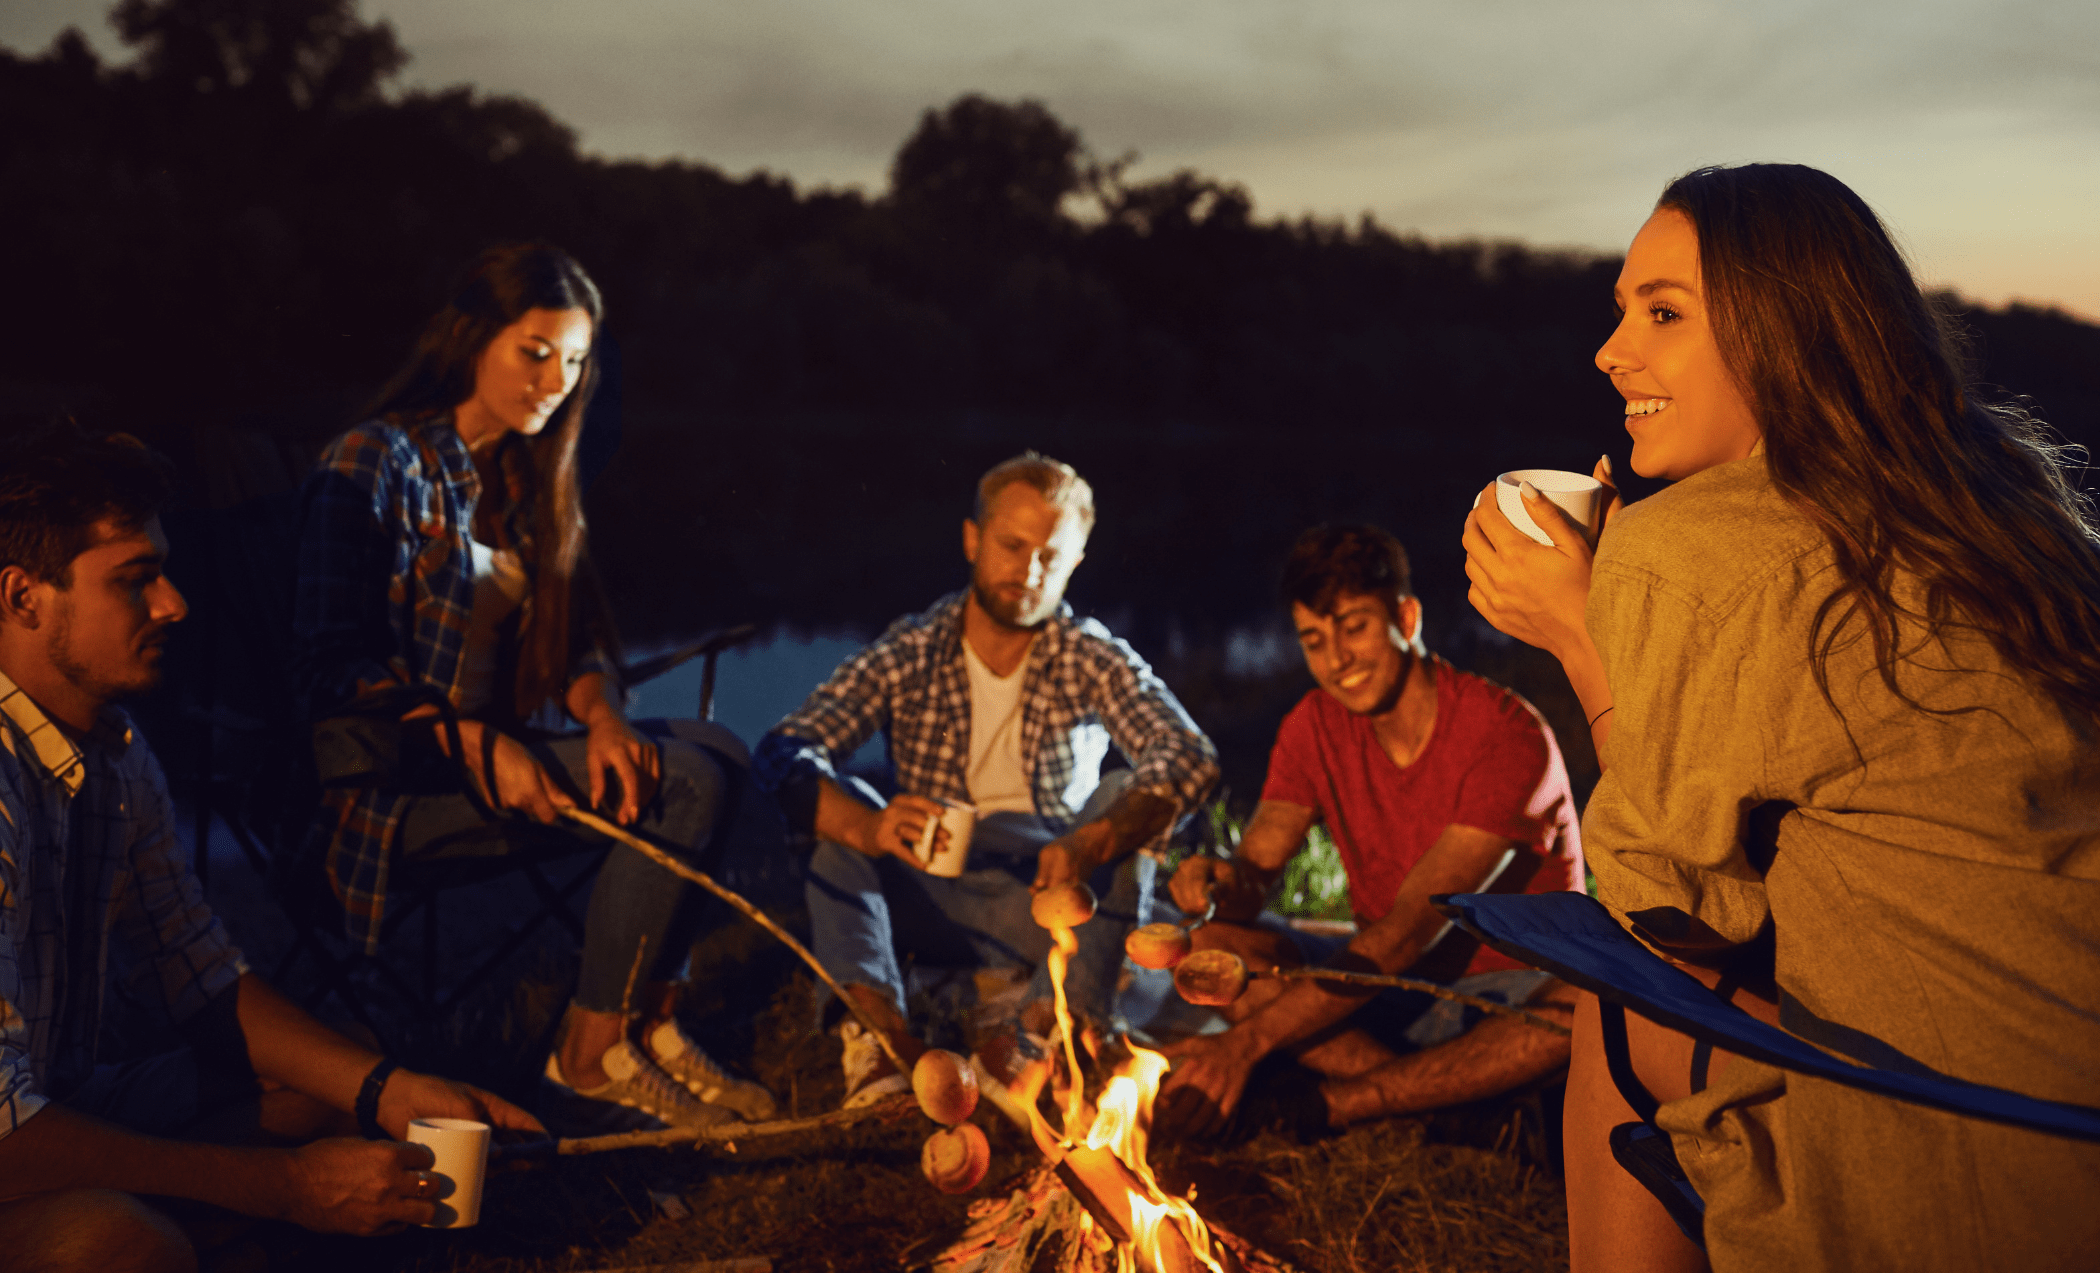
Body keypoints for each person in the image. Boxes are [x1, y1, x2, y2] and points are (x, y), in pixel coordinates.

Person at [1461, 164, 2100, 1272]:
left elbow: (1667, 914)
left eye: (1664, 313)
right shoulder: (2005, 510)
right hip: (2071, 1119)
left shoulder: (1694, 548)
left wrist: (1585, 633)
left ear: (1788, 335)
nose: (1613, 351)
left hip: (1955, 1156)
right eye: (1622, 313)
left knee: (1617, 1008)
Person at [0, 419, 548, 1266]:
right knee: (116, 1244)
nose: (172, 602)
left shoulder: (114, 750)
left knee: (344, 1110)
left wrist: (392, 1088)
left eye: (164, 571)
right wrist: (286, 1187)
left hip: (66, 1102)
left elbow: (201, 974)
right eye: (134, 579)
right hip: (12, 1144)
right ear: (24, 596)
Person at [294, 242, 773, 1133]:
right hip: (388, 790)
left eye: (578, 359)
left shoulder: (521, 473)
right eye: (536, 350)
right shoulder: (378, 460)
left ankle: (647, 1027)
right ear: (472, 337)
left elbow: (575, 645)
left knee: (719, 750)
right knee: (690, 785)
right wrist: (477, 743)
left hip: (490, 762)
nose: (557, 378)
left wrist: (602, 719)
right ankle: (586, 1061)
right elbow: (335, 663)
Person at [751, 452, 1219, 1104]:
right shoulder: (912, 649)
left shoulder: (1089, 653)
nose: (1028, 572)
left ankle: (1047, 1033)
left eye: (1050, 556)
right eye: (1012, 545)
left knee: (1122, 796)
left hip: (1047, 894)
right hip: (930, 886)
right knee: (843, 831)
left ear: (1075, 561)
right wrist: (870, 824)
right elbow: (782, 753)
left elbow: (1189, 755)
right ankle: (883, 1051)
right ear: (973, 540)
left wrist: (1087, 845)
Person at [1153, 523, 1582, 1140]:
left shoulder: (1504, 735)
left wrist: (1243, 1046)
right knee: (1212, 947)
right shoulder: (1315, 726)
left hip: (1511, 988)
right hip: (1391, 987)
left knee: (1590, 1007)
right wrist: (1220, 884)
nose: (1338, 659)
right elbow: (1256, 868)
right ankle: (1452, 1106)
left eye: (1354, 626)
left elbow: (1410, 932)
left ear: (1406, 618)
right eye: (1314, 639)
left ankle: (1344, 1105)